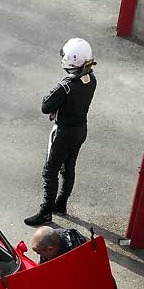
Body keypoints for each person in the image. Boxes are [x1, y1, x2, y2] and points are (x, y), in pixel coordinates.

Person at [24, 38, 97, 227]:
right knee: (68, 168)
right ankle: (61, 203)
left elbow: (45, 106)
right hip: (80, 130)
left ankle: (46, 212)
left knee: (50, 172)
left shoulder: (64, 87)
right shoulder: (91, 79)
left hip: (63, 133)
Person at [30, 225, 117, 289]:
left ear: (50, 249)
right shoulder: (54, 238)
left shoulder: (76, 254)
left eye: (39, 253)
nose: (40, 256)